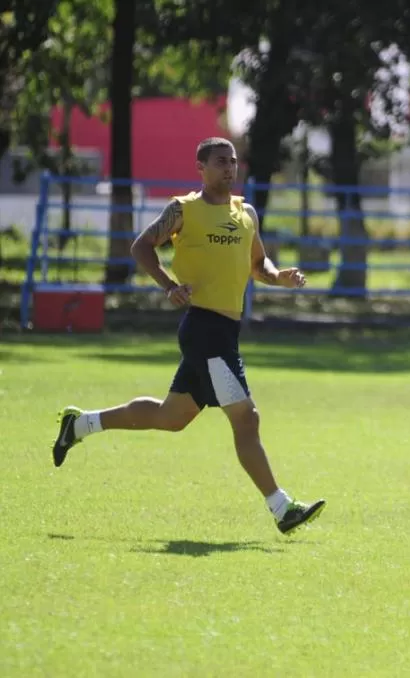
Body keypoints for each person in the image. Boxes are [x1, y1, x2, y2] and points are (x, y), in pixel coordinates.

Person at [50, 137, 326, 535]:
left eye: (233, 162)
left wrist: (277, 276)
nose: (229, 168)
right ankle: (282, 509)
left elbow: (257, 262)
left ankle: (79, 425)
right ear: (201, 167)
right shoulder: (183, 209)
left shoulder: (245, 212)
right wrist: (167, 285)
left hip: (226, 332)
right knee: (246, 418)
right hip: (204, 329)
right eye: (220, 162)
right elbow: (142, 246)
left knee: (171, 417)